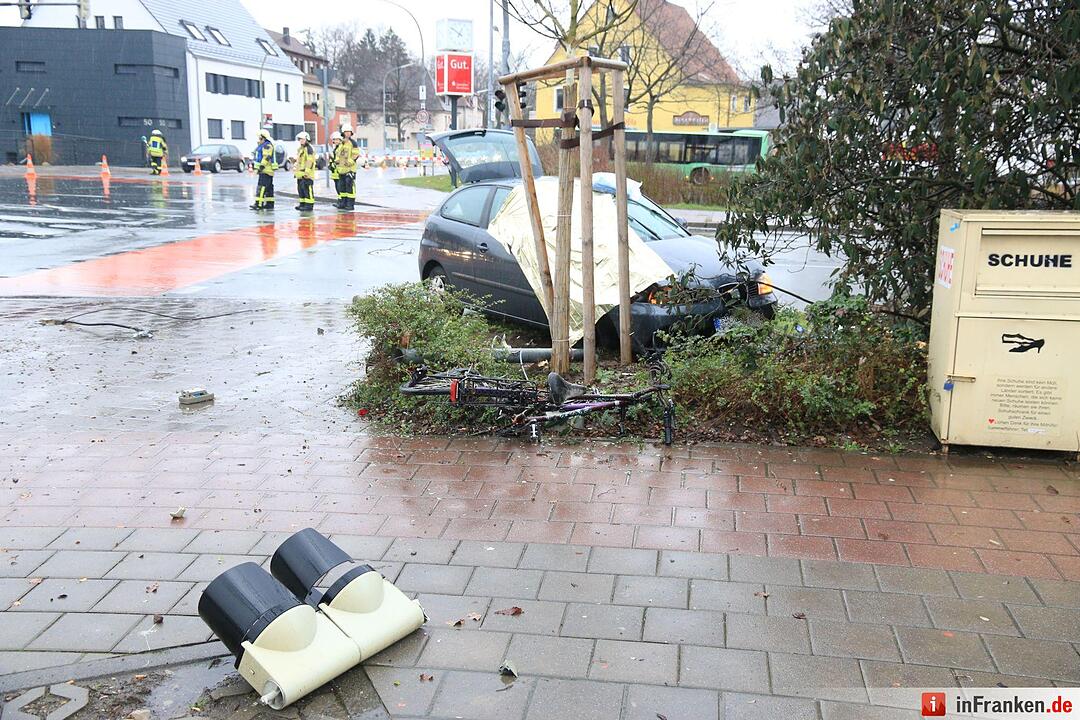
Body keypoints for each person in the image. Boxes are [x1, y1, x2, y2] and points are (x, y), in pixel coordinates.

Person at [333, 124, 360, 210]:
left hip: (349, 170)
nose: (347, 133)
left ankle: (350, 205)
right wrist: (336, 161)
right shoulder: (341, 143)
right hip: (341, 170)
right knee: (342, 188)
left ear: (351, 133)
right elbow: (338, 153)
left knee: (349, 187)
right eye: (346, 132)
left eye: (349, 132)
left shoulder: (353, 143)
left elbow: (355, 155)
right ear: (343, 133)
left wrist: (349, 162)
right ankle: (343, 203)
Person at [251, 129, 276, 210]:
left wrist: (261, 167)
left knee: (262, 187)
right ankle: (269, 204)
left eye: (260, 138)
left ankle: (259, 203)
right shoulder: (263, 145)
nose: (259, 140)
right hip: (266, 170)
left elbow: (266, 157)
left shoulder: (267, 145)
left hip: (265, 170)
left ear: (264, 138)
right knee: (268, 188)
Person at [293, 131, 316, 212]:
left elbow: (310, 162)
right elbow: (299, 161)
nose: (301, 141)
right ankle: (302, 204)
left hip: (307, 174)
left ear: (307, 139)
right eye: (300, 139)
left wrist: (307, 172)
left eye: (303, 139)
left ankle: (309, 205)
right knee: (301, 189)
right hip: (300, 174)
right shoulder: (300, 149)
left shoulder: (309, 149)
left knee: (307, 189)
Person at [328, 131, 342, 206]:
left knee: (340, 188)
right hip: (335, 173)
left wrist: (333, 162)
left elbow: (339, 160)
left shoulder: (340, 148)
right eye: (334, 140)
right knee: (337, 188)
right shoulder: (335, 148)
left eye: (337, 140)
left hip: (339, 172)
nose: (335, 141)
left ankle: (341, 202)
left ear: (340, 140)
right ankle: (339, 201)